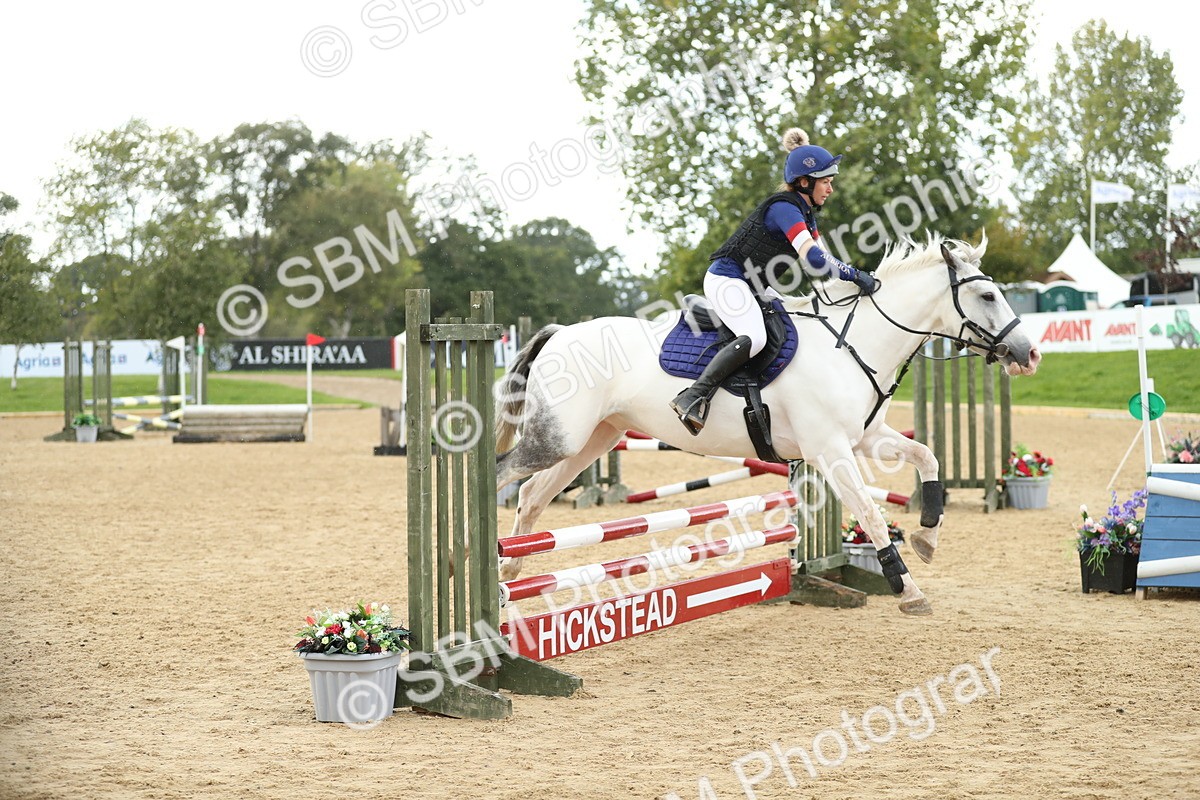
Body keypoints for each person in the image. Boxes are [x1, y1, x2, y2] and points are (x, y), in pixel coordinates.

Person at [669, 127, 878, 435]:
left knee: (791, 322)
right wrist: (855, 275)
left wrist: (851, 277)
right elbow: (816, 260)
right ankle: (693, 395)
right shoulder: (784, 208)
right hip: (727, 279)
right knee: (755, 337)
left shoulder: (806, 214)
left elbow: (825, 256)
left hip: (753, 284)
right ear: (805, 182)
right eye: (826, 182)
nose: (830, 190)